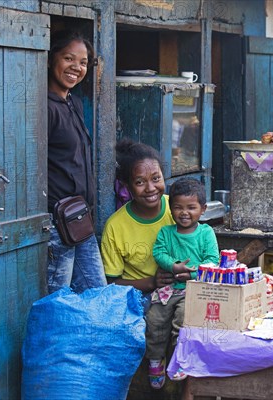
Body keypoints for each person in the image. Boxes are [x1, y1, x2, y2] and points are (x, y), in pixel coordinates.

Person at [46, 30, 106, 294]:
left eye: (83, 63)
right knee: (58, 299)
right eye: (69, 58)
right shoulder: (44, 106)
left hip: (79, 218)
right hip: (56, 220)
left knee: (97, 292)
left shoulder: (74, 103)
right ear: (51, 59)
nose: (76, 68)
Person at [146, 178, 219, 389]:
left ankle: (180, 361)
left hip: (193, 291)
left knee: (183, 322)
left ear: (202, 210)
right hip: (167, 291)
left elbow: (212, 261)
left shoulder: (206, 233)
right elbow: (159, 253)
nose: (184, 213)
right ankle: (155, 360)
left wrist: (193, 275)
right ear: (170, 209)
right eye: (178, 207)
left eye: (191, 208)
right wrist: (173, 266)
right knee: (154, 322)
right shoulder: (166, 233)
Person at [101, 139, 195, 294]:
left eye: (156, 178)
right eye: (140, 182)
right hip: (140, 298)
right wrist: (151, 282)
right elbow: (112, 283)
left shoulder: (178, 211)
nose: (150, 188)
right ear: (126, 185)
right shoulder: (115, 226)